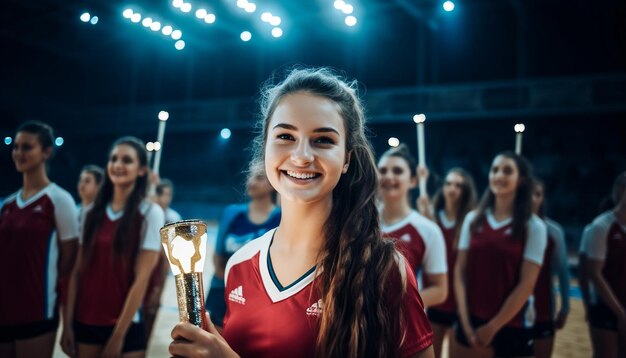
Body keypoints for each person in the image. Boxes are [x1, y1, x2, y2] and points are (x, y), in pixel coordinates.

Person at [169, 68, 435, 357]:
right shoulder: (239, 264)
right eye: (285, 136)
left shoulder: (383, 270)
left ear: (346, 158)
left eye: (323, 140)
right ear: (265, 147)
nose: (301, 156)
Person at [61, 136, 164, 358]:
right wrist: (67, 325)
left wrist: (118, 337)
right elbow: (76, 273)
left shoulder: (150, 213)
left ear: (142, 170)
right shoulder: (89, 213)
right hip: (85, 320)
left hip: (126, 325)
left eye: (127, 160)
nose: (117, 165)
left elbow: (141, 280)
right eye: (113, 159)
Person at [453, 152, 547, 358]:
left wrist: (493, 327)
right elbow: (460, 271)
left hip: (512, 325)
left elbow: (527, 285)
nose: (499, 175)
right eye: (495, 170)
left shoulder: (534, 226)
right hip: (471, 321)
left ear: (521, 180)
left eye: (507, 170)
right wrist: (467, 324)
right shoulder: (473, 219)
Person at [0, 121, 79, 358]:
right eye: (16, 147)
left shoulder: (59, 200)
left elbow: (68, 264)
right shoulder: (8, 204)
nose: (19, 153)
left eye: (27, 147)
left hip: (37, 312)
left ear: (46, 152)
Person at [205, 172, 281, 329]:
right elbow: (218, 255)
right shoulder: (232, 213)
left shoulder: (281, 217)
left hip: (259, 295)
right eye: (251, 177)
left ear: (273, 183)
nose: (251, 181)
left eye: (259, 178)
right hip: (222, 287)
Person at [377, 144, 448, 308]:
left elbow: (440, 290)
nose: (388, 176)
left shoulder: (428, 230)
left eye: (397, 171)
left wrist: (396, 305)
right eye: (383, 171)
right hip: (361, 326)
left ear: (413, 181)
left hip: (406, 328)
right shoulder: (360, 222)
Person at [418, 167, 477, 358]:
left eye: (458, 185)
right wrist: (422, 180)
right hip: (436, 300)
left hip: (461, 303)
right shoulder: (432, 218)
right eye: (449, 183)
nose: (452, 188)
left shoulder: (470, 223)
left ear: (465, 191)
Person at [583, 171, 626, 358]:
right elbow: (593, 273)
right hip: (606, 308)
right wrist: (620, 312)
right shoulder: (601, 226)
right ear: (620, 191)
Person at [530, 179, 570, 358]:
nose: (532, 199)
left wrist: (566, 307)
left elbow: (563, 272)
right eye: (528, 193)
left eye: (537, 194)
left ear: (542, 198)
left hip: (544, 308)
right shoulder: (510, 229)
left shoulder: (553, 232)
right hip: (510, 311)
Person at [142, 178, 182, 342]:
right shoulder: (146, 213)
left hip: (161, 266)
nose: (163, 198)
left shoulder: (172, 217)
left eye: (167, 194)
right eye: (160, 194)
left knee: (152, 307)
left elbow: (172, 253)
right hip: (143, 265)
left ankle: (144, 342)